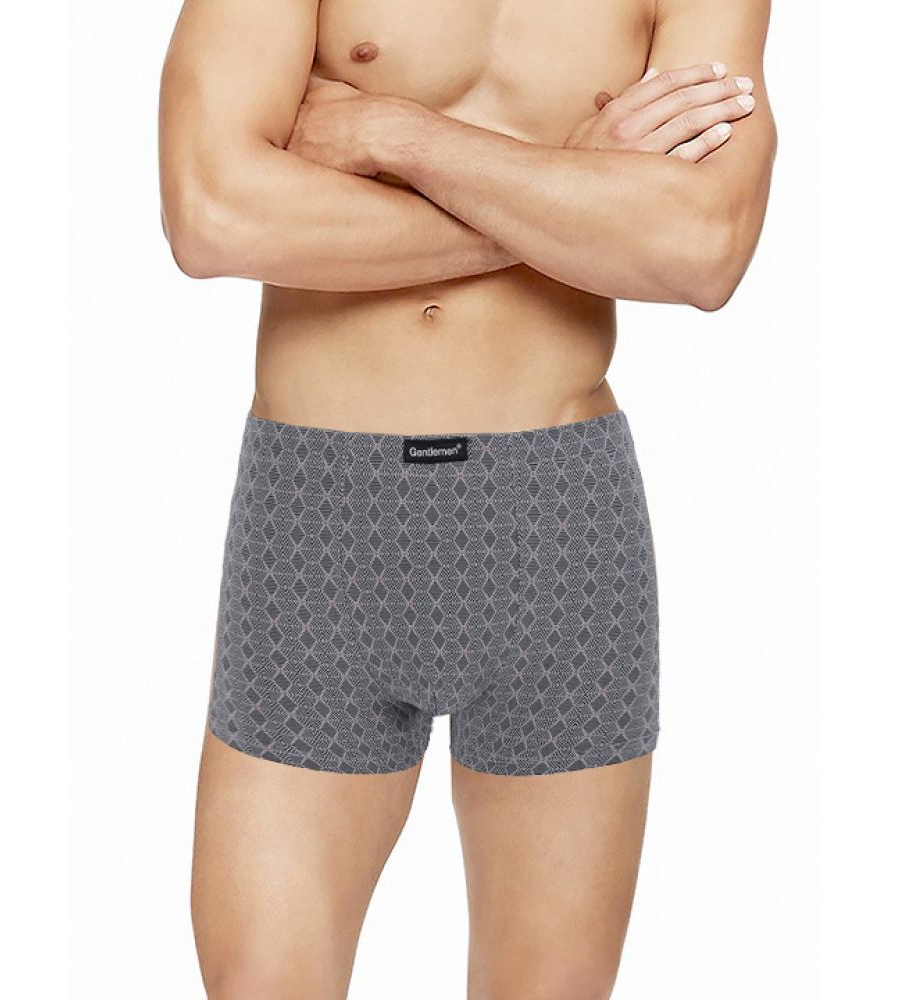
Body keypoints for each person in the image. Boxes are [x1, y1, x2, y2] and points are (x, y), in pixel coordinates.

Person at [159, 0, 775, 996]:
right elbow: (213, 213)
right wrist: (570, 190)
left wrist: (392, 135)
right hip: (319, 529)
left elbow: (699, 249)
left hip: (558, 522)